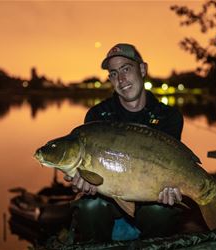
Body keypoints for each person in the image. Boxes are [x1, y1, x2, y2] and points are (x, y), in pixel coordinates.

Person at [64, 43, 185, 242]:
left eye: (126, 69)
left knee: (161, 211)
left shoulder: (168, 116)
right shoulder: (97, 116)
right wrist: (83, 184)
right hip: (108, 199)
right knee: (89, 206)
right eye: (113, 74)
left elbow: (172, 165)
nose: (121, 79)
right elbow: (89, 170)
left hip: (149, 195)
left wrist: (172, 189)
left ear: (143, 69)